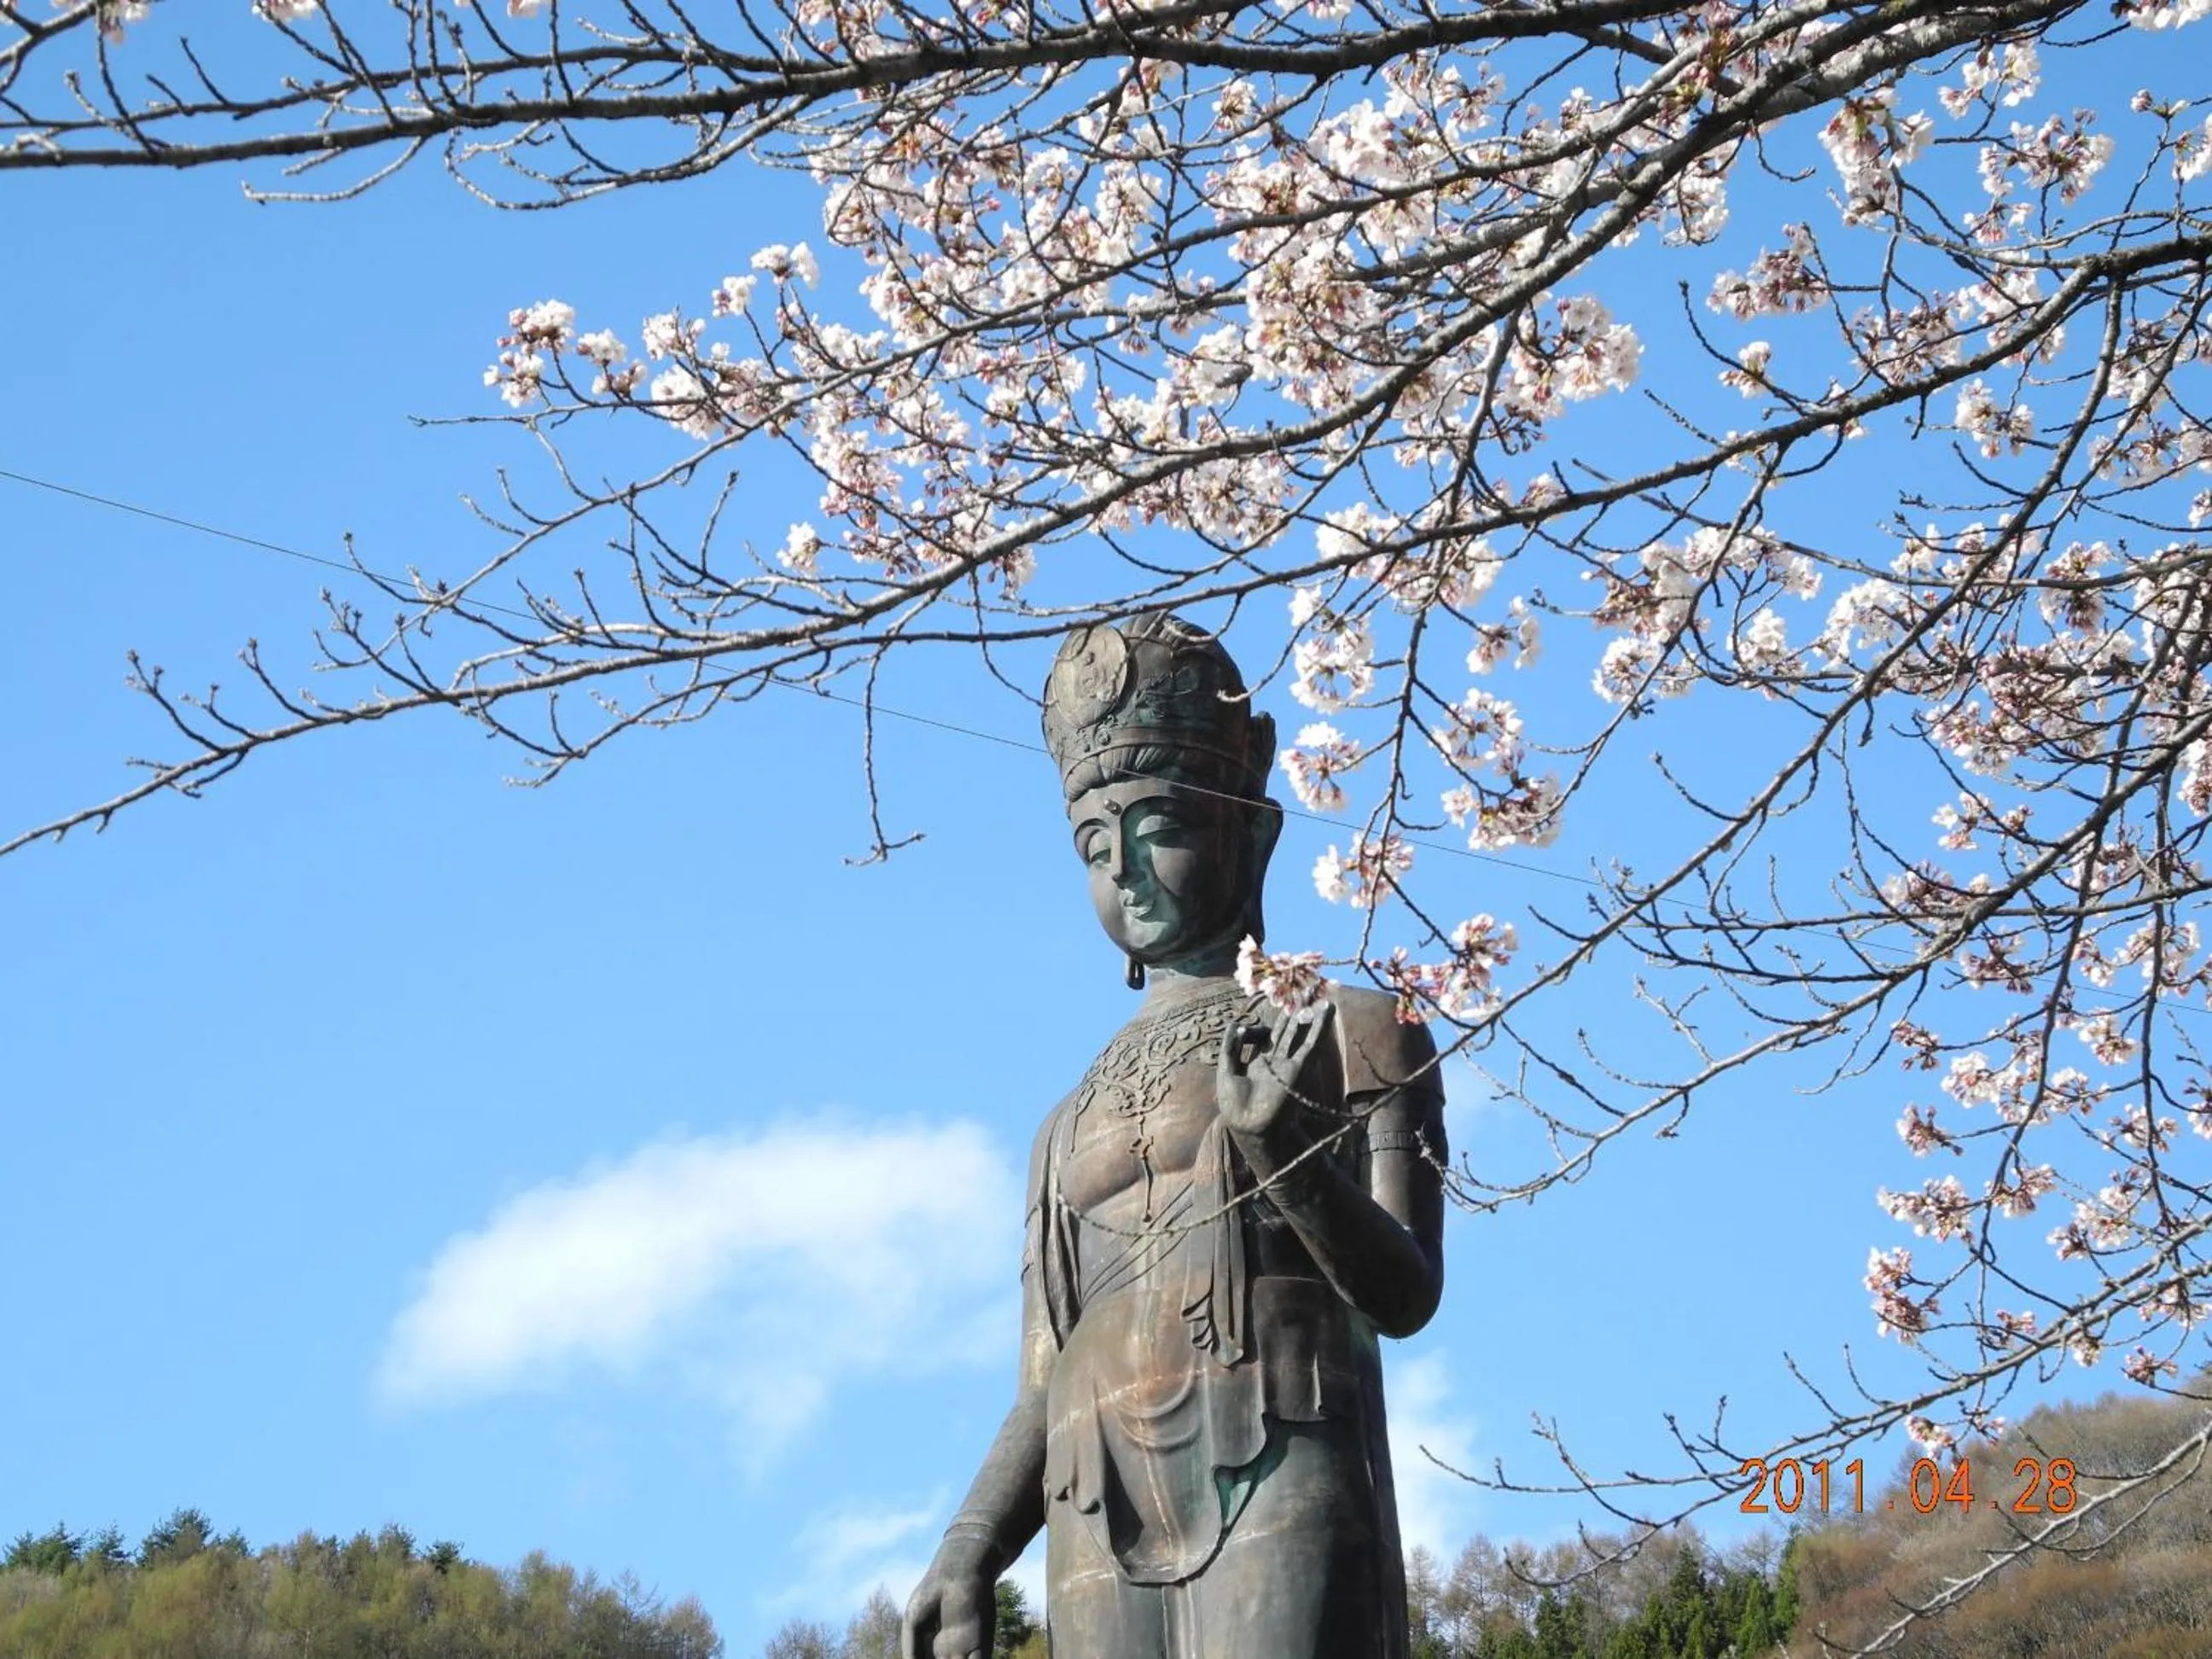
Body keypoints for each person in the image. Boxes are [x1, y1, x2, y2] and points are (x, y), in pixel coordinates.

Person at [902, 613, 1448, 1659]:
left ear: (1253, 828)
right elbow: (1040, 1378)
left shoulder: (1355, 1030)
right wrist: (969, 1546)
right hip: (1089, 1477)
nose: (1126, 870)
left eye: (1155, 824)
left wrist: (1285, 1156)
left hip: (1283, 1433)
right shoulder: (1064, 1127)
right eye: (1094, 846)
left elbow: (1406, 1291)